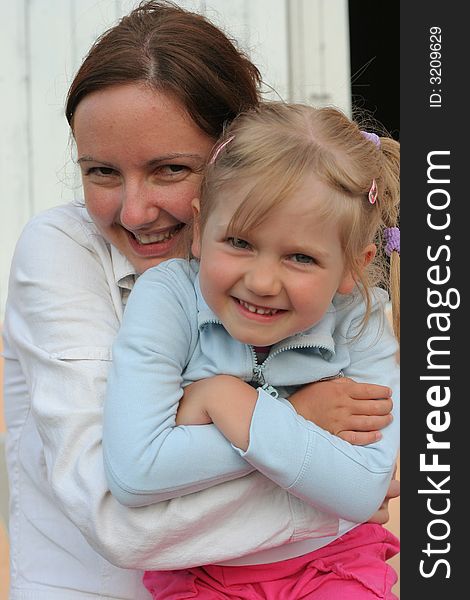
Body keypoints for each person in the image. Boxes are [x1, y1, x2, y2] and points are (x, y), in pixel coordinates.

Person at [2, 2, 398, 599]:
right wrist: (302, 431)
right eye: (101, 172)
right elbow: (122, 521)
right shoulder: (61, 248)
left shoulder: (321, 282)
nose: (133, 211)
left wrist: (222, 415)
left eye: (168, 170)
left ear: (234, 159)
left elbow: (375, 477)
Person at [103, 102, 400, 599]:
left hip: (334, 564)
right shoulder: (169, 296)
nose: (261, 281)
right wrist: (301, 415)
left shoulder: (360, 313)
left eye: (300, 257)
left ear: (354, 264)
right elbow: (137, 470)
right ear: (200, 228)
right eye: (239, 242)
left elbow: (365, 488)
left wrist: (220, 399)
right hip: (201, 571)